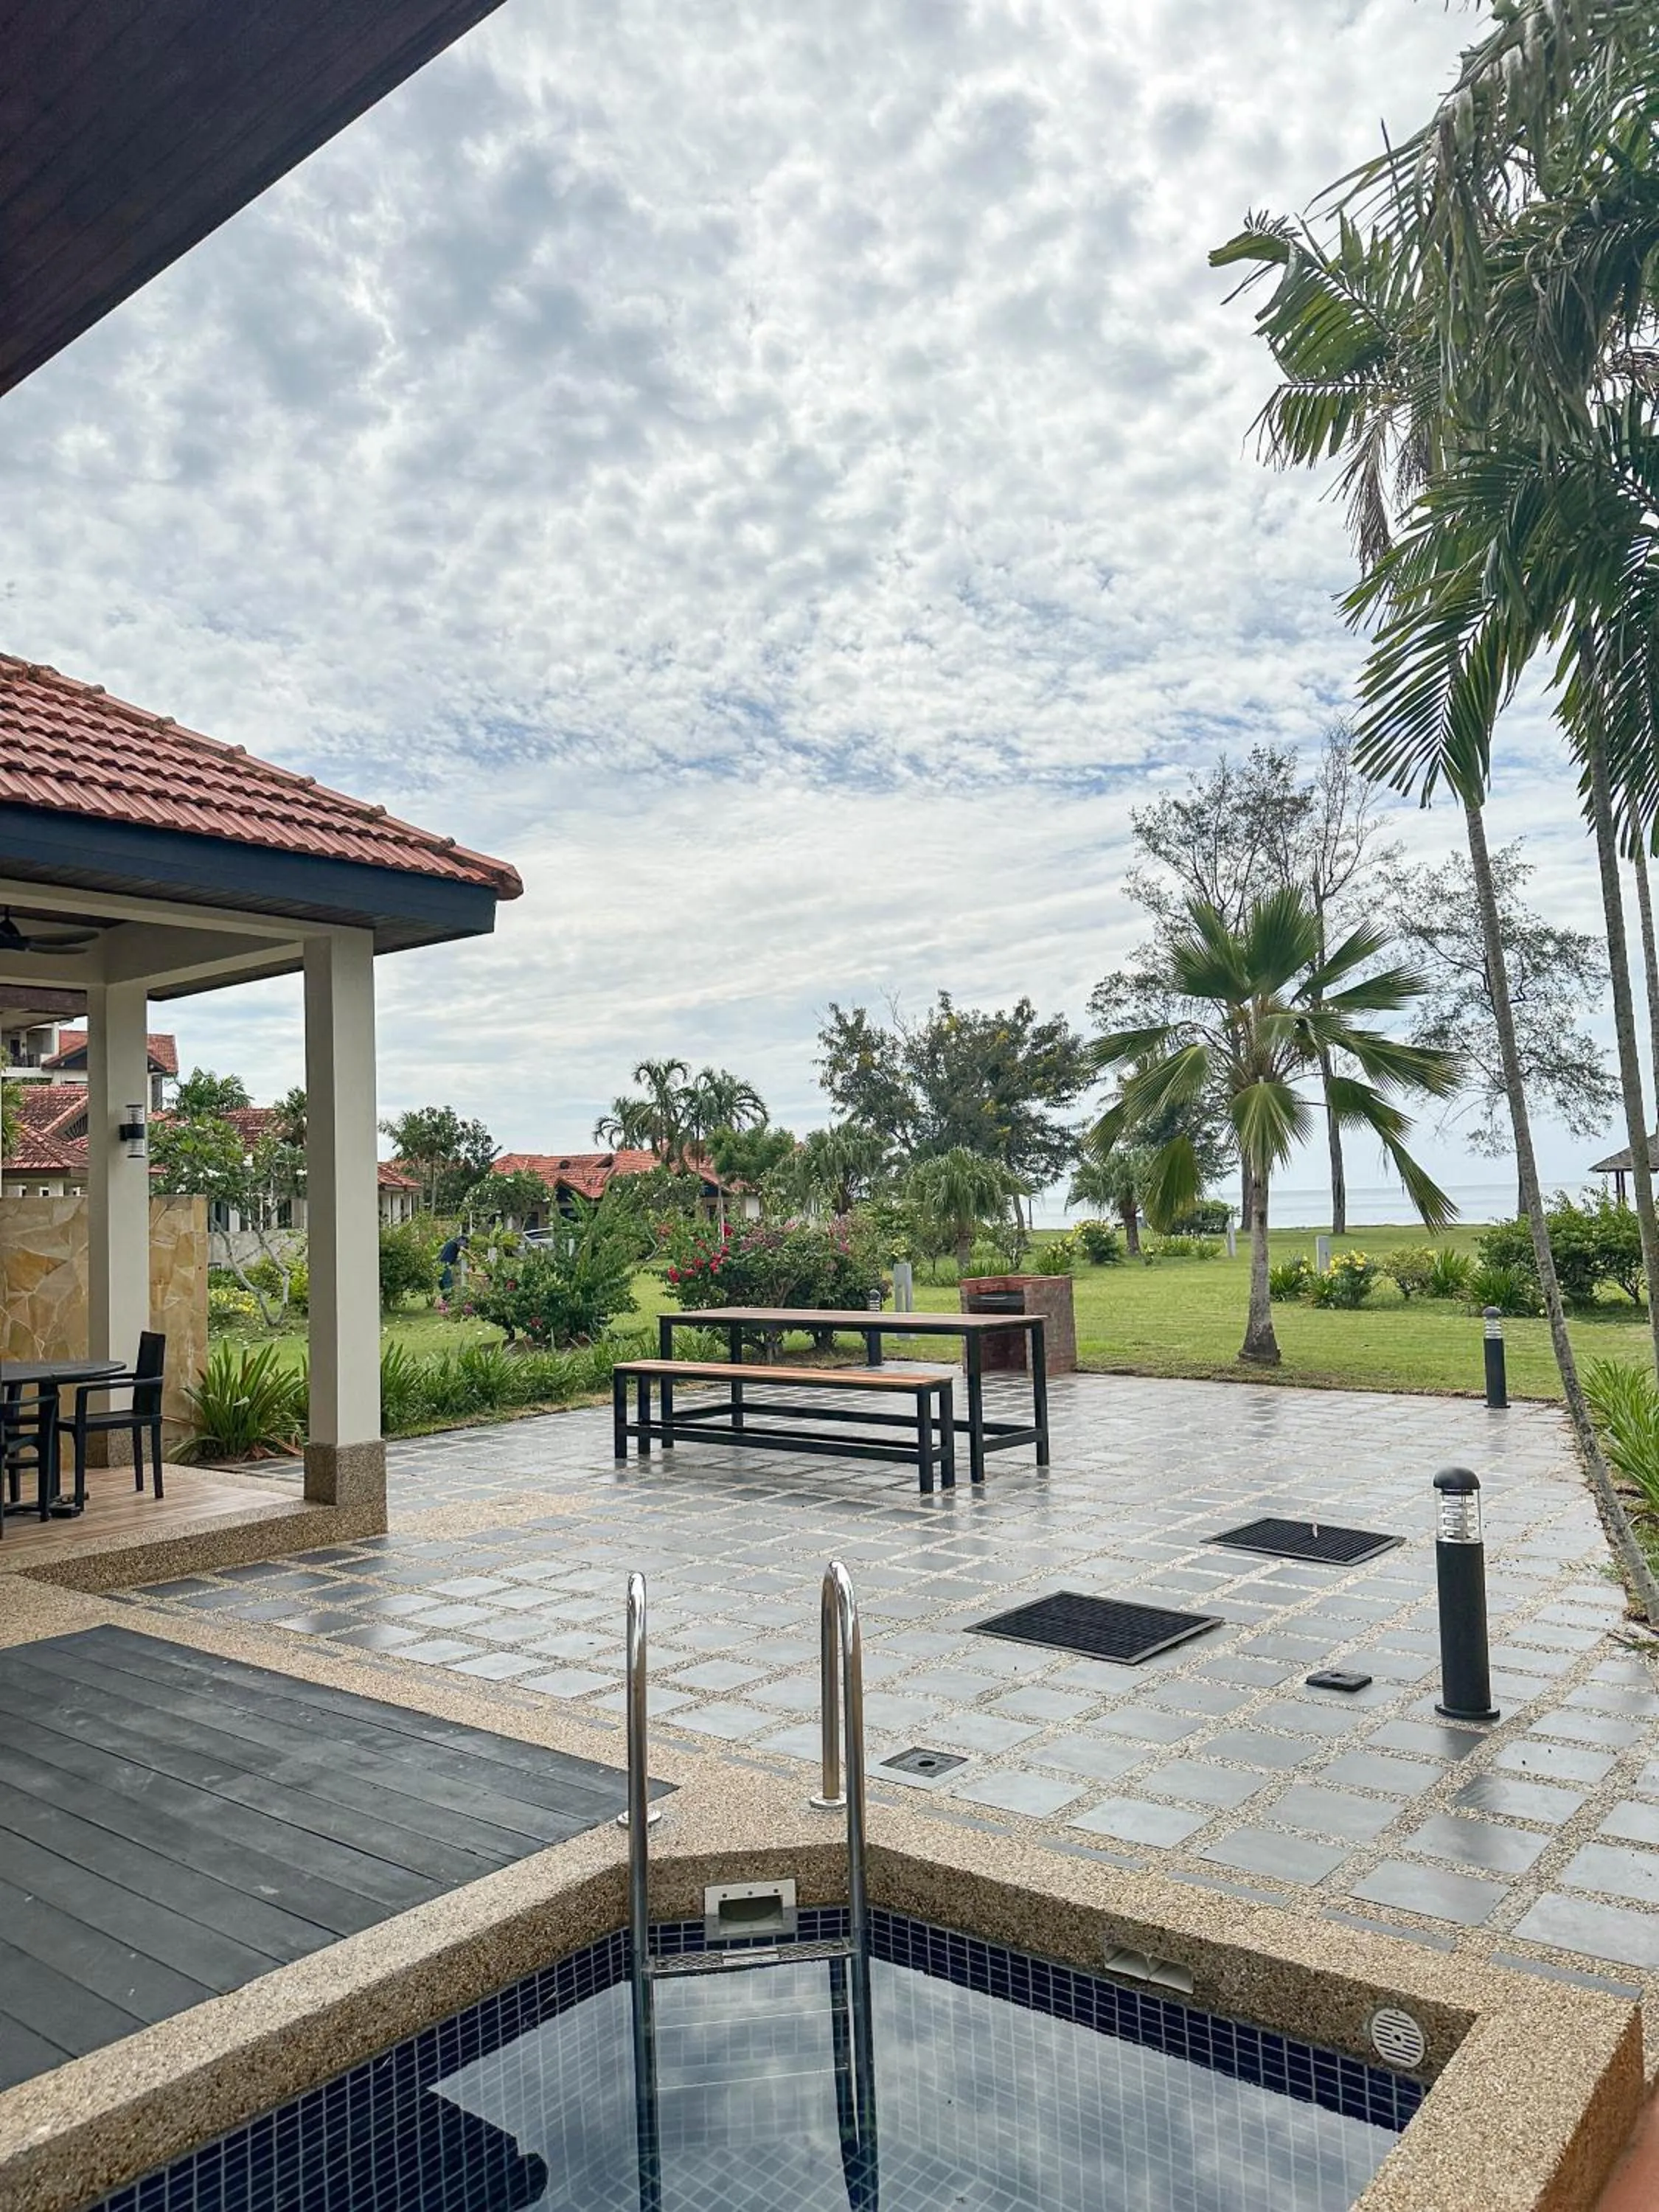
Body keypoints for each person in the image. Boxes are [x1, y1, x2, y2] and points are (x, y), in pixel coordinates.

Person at [438, 1230, 468, 1296]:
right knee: (447, 1281)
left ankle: (444, 1297)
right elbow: (462, 1249)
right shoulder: (456, 1242)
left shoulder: (451, 1243)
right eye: (465, 1243)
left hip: (441, 1263)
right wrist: (473, 1258)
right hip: (446, 1263)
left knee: (441, 1281)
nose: (465, 1245)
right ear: (462, 1240)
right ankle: (449, 1297)